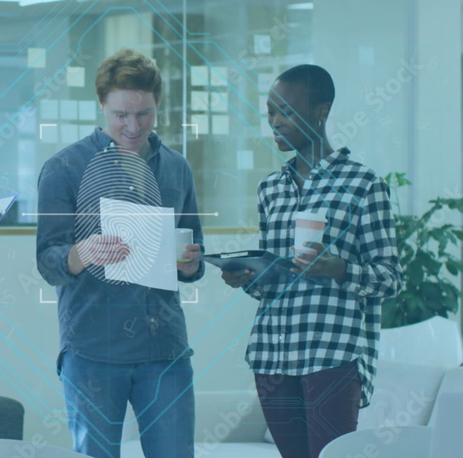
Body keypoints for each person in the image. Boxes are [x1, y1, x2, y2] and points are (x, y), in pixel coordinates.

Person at [220, 64, 402, 458]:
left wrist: (338, 267)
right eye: (270, 111)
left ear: (322, 110)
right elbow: (272, 280)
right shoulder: (270, 189)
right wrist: (248, 277)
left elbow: (390, 279)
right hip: (272, 354)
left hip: (332, 354)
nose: (275, 122)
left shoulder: (364, 185)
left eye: (286, 110)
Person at [36, 48, 204, 458]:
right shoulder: (64, 169)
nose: (132, 126)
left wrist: (191, 264)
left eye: (143, 114)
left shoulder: (177, 168)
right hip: (93, 349)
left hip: (164, 348)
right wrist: (82, 252)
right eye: (120, 115)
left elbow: (193, 254)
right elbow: (47, 261)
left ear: (158, 104)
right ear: (101, 105)